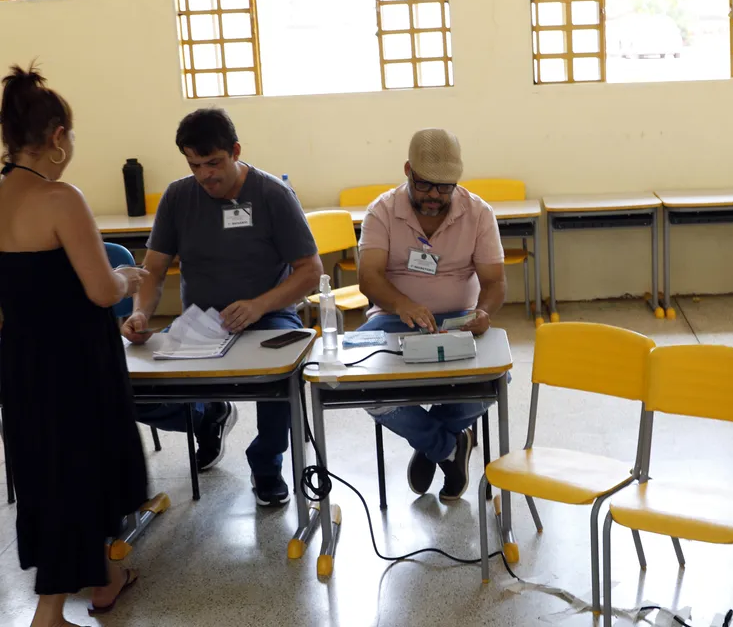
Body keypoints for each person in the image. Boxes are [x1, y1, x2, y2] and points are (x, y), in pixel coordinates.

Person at [0, 65, 148, 625]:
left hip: (22, 361)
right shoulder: (60, 197)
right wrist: (128, 282)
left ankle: (105, 577)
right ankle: (49, 615)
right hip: (76, 365)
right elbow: (99, 288)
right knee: (80, 473)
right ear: (58, 136)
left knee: (46, 470)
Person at [121, 108, 321, 506]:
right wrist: (142, 312)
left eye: (214, 163)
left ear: (235, 151)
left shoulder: (272, 195)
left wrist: (257, 305)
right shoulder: (179, 196)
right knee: (128, 386)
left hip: (269, 315)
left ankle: (266, 465)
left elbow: (310, 272)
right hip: (200, 323)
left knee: (278, 382)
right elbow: (154, 271)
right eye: (195, 165)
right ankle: (205, 417)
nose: (205, 175)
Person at [356, 128, 506, 502]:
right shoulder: (382, 211)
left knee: (489, 385)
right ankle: (448, 447)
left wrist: (484, 313)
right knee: (364, 387)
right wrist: (400, 303)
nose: (434, 198)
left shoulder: (478, 213)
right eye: (424, 186)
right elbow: (368, 278)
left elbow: (495, 282)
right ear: (407, 170)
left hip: (459, 322)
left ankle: (428, 446)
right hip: (393, 319)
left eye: (445, 188)